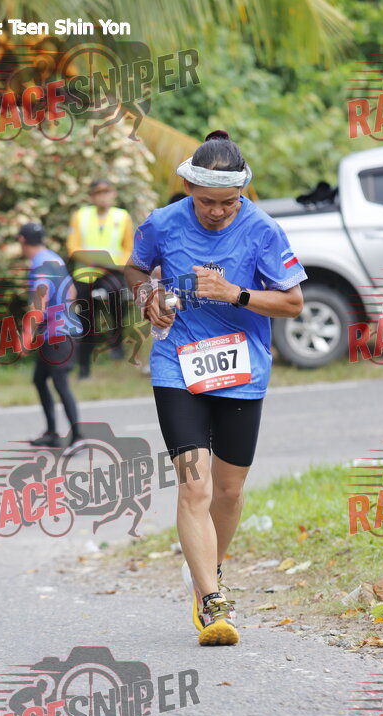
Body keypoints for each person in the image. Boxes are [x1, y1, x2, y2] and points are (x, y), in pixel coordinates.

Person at [124, 131, 306, 646]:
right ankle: (211, 600)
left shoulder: (263, 229)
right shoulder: (162, 223)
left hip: (241, 370)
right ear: (188, 188)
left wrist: (236, 293)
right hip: (177, 367)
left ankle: (210, 569)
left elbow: (293, 302)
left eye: (230, 202)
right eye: (208, 202)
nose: (219, 212)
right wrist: (148, 296)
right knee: (195, 486)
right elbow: (135, 267)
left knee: (228, 491)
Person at [18, 222, 83, 448]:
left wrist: (26, 336)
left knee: (60, 383)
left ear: (22, 240)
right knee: (40, 379)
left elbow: (40, 301)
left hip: (58, 335)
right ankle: (52, 433)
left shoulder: (38, 265)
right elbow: (72, 291)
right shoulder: (55, 258)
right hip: (62, 331)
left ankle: (78, 437)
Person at [67, 180, 134, 376]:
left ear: (113, 194)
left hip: (112, 271)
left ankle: (116, 341)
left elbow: (128, 247)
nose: (103, 197)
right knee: (85, 318)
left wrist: (114, 264)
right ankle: (84, 366)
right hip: (86, 274)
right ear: (92, 196)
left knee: (116, 296)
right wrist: (93, 260)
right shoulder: (80, 216)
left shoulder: (122, 217)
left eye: (106, 192)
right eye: (98, 193)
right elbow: (72, 247)